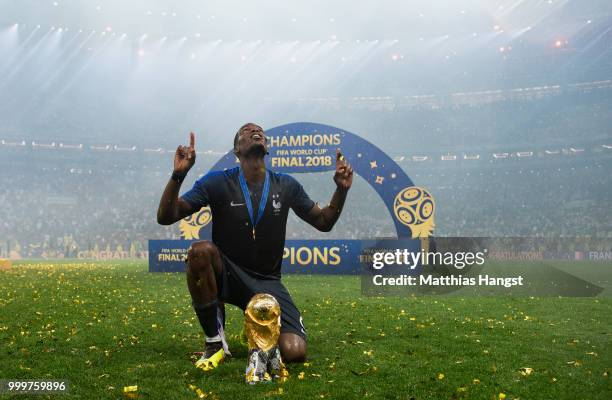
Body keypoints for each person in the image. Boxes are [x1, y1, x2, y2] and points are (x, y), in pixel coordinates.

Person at [156, 123, 353, 368]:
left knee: (295, 352)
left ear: (267, 147)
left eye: (259, 130)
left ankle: (255, 324)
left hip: (267, 281)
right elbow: (166, 216)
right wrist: (179, 175)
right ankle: (214, 342)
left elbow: (324, 222)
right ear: (237, 150)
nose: (255, 131)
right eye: (246, 131)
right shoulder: (218, 182)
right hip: (227, 273)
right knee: (199, 252)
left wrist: (341, 191)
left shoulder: (286, 185)